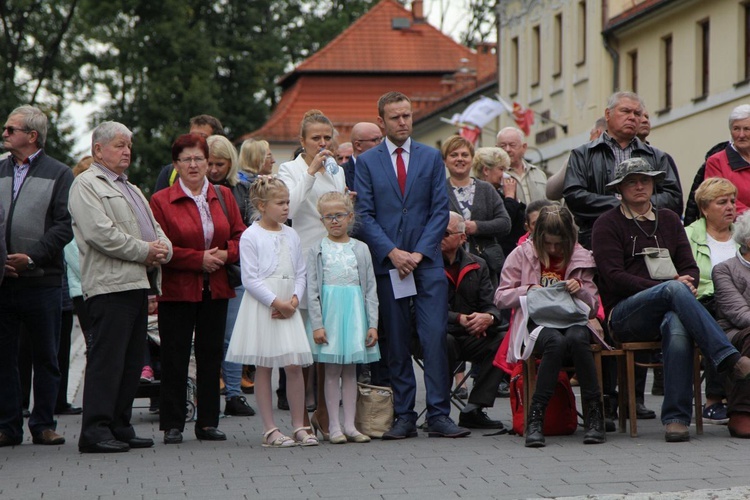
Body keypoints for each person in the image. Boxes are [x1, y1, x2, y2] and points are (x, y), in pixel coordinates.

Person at [591, 157, 750, 443]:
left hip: (669, 307)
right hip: (625, 314)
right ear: (620, 188)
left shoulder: (667, 220)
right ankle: (728, 358)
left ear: (653, 184)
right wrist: (663, 287)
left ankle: (676, 419)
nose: (640, 186)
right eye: (632, 182)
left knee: (677, 323)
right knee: (672, 291)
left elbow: (688, 266)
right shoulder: (607, 224)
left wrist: (683, 281)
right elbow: (612, 276)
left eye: (645, 180)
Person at [354, 90, 470, 439]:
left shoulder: (431, 157)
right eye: (395, 117)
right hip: (390, 266)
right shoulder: (368, 162)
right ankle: (404, 415)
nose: (403, 122)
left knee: (434, 338)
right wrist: (393, 252)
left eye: (407, 116)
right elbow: (365, 214)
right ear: (382, 121)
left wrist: (418, 253)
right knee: (398, 341)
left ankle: (438, 414)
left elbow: (439, 210)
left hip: (428, 263)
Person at [70, 121, 172, 453]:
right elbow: (101, 234)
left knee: (129, 362)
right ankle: (95, 430)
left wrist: (163, 248)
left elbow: (154, 227)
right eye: (118, 145)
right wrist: (146, 251)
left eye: (128, 144)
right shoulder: (86, 185)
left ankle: (119, 424)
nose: (126, 150)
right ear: (97, 150)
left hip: (136, 284)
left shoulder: (131, 186)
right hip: (109, 285)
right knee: (107, 360)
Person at [150, 133, 245, 445]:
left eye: (199, 158)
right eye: (186, 159)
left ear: (208, 163)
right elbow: (161, 248)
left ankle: (207, 423)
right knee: (174, 357)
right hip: (177, 289)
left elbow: (241, 237)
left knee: (210, 356)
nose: (193, 164)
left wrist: (224, 254)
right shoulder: (161, 200)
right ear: (176, 164)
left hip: (216, 288)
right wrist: (198, 259)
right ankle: (173, 424)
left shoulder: (223, 196)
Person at [496, 206, 605, 447]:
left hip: (574, 320)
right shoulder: (521, 254)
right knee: (554, 342)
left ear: (569, 239)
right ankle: (536, 417)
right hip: (537, 322)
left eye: (559, 245)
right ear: (537, 238)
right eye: (548, 244)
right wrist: (527, 290)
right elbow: (500, 297)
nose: (554, 250)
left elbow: (594, 303)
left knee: (577, 338)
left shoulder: (581, 255)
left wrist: (581, 289)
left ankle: (594, 416)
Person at [0, 105, 74, 448]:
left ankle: (43, 424)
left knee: (47, 356)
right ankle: (8, 427)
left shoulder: (60, 174)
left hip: (42, 280)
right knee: (5, 358)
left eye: (10, 129)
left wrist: (31, 257)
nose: (4, 134)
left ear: (31, 136)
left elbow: (64, 226)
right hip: (3, 281)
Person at [225, 177, 318, 447]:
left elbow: (301, 272)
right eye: (280, 203)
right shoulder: (251, 235)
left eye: (288, 202)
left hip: (288, 301)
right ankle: (270, 429)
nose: (286, 207)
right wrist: (276, 302)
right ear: (261, 206)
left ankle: (300, 425)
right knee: (264, 364)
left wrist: (294, 299)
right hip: (265, 305)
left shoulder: (291, 233)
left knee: (293, 364)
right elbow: (250, 279)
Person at [277, 109, 348, 438]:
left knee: (327, 337)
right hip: (305, 257)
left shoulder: (337, 170)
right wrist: (310, 171)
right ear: (302, 141)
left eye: (326, 137)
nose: (322, 143)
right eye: (315, 138)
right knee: (305, 339)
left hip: (334, 257)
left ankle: (324, 410)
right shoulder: (289, 168)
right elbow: (288, 209)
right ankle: (301, 415)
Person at [563, 92, 683, 249]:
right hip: (597, 241)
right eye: (626, 111)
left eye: (637, 113)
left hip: (649, 241)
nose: (633, 117)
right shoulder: (583, 154)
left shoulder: (657, 156)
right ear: (608, 114)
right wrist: (620, 206)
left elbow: (674, 199)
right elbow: (574, 196)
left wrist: (639, 206)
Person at [306, 191, 379, 443]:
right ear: (322, 220)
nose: (334, 221)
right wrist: (317, 324)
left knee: (351, 371)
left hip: (355, 314)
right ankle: (333, 426)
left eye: (339, 215)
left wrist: (373, 324)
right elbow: (312, 290)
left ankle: (350, 425)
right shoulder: (317, 249)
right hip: (331, 315)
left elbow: (370, 288)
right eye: (328, 216)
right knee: (331, 371)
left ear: (350, 217)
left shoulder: (361, 249)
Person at [440, 212, 506, 430]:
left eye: (445, 233)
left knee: (502, 339)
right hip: (439, 334)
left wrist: (488, 318)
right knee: (445, 340)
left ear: (462, 238)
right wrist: (458, 318)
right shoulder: (427, 264)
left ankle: (474, 408)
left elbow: (491, 303)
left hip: (471, 335)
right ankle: (438, 410)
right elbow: (419, 310)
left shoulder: (478, 265)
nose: (438, 236)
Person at [206, 134, 256, 417]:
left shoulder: (241, 191)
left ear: (231, 163)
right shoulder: (194, 188)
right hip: (204, 269)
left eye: (220, 164)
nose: (214, 170)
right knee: (206, 337)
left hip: (234, 271)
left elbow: (249, 231)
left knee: (232, 337)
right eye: (210, 163)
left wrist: (229, 253)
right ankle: (208, 390)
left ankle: (234, 393)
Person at [685, 177, 739, 424]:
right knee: (719, 324)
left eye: (732, 200)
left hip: (740, 302)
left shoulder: (744, 234)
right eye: (722, 202)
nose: (730, 206)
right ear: (705, 208)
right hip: (704, 301)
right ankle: (714, 401)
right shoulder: (687, 236)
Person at [443, 136, 511, 285]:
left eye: (464, 155)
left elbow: (505, 223)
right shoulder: (438, 191)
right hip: (449, 267)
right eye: (454, 155)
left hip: (484, 268)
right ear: (445, 161)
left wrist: (476, 227)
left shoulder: (485, 189)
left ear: (472, 159)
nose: (459, 159)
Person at [712, 211, 750, 437]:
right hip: (733, 333)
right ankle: (742, 413)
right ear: (748, 240)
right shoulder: (724, 269)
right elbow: (739, 314)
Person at [471, 146, 526, 259]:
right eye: (501, 169)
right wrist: (510, 197)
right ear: (486, 170)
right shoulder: (479, 193)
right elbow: (504, 222)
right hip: (495, 257)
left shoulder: (498, 193)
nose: (505, 174)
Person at [153, 115, 224, 192]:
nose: (195, 142)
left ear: (217, 141)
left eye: (202, 137)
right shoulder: (170, 172)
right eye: (191, 136)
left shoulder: (231, 177)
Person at [546, 118, 606, 201]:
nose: (589, 138)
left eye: (591, 133)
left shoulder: (580, 158)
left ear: (597, 133)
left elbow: (551, 192)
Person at [705, 104, 750, 215]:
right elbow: (719, 198)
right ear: (730, 131)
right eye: (736, 129)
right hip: (734, 227)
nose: (741, 135)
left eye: (747, 129)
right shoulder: (716, 162)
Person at [496, 127, 548, 205]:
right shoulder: (495, 175)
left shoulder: (539, 174)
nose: (507, 149)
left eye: (512, 145)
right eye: (503, 146)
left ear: (524, 147)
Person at [343, 122, 383, 191]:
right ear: (358, 145)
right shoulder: (341, 173)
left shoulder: (388, 167)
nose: (381, 144)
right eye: (375, 140)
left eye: (381, 139)